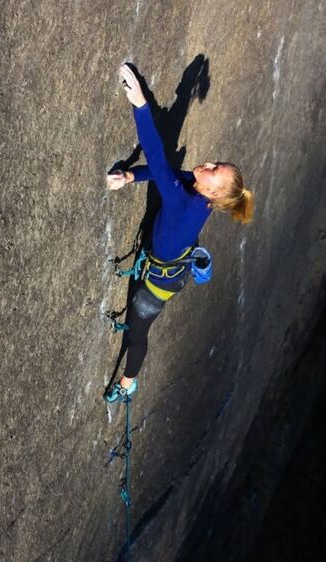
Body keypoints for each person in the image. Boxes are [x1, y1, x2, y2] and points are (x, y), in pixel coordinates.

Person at [104, 63, 254, 403]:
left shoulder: (186, 206)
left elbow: (158, 161)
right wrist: (130, 177)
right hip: (167, 264)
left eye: (214, 170)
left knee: (137, 333)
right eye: (216, 163)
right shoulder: (196, 189)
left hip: (160, 284)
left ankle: (128, 384)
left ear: (214, 192)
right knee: (136, 325)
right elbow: (166, 174)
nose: (208, 164)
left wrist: (141, 105)